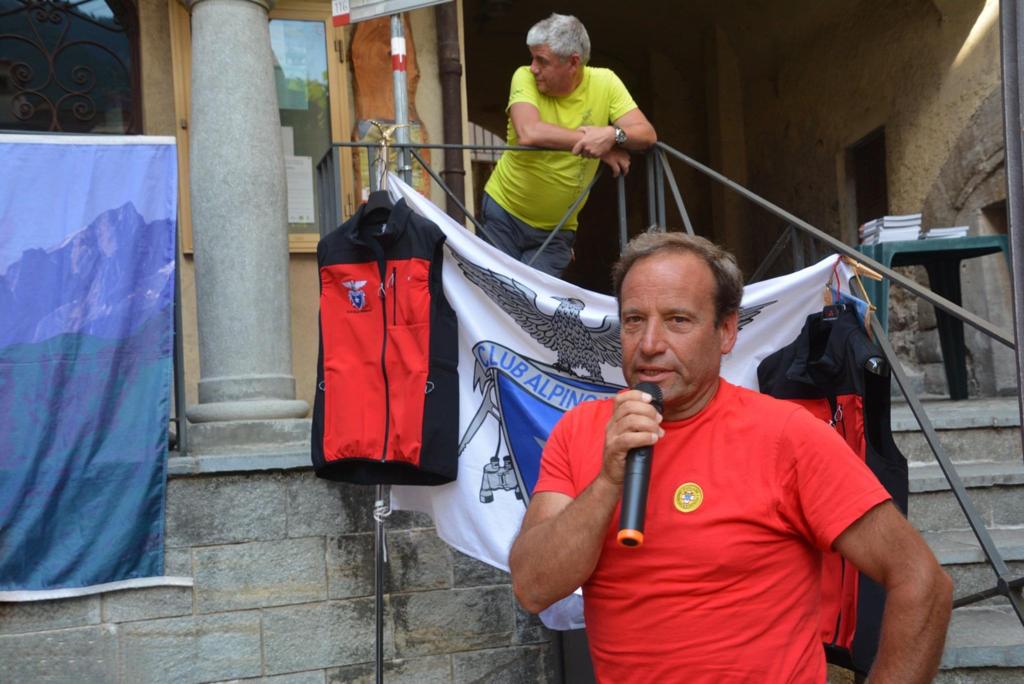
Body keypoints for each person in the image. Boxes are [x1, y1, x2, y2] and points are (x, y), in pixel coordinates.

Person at [508, 232, 953, 682]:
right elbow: (534, 587)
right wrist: (607, 482)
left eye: (678, 320)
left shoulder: (788, 435)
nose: (650, 343)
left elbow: (921, 582)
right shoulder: (581, 431)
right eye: (634, 320)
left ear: (726, 331)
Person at [482, 13, 657, 278]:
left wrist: (613, 135)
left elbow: (646, 134)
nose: (533, 67)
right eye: (532, 58)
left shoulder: (605, 82)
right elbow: (529, 131)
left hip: (558, 229)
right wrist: (598, 145)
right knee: (495, 294)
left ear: (573, 62)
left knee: (534, 301)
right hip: (504, 213)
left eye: (542, 60)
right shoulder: (523, 77)